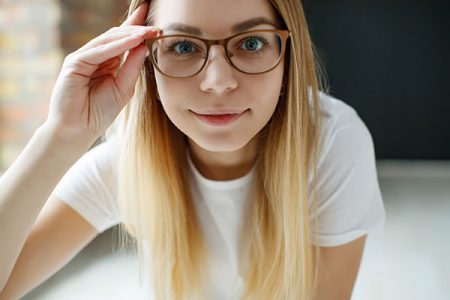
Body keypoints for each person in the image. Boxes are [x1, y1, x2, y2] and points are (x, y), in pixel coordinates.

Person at [0, 0, 385, 299]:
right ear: (145, 59)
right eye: (182, 46)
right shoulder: (131, 161)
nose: (218, 82)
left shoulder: (332, 143)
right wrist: (60, 137)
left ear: (287, 55)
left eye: (251, 43)